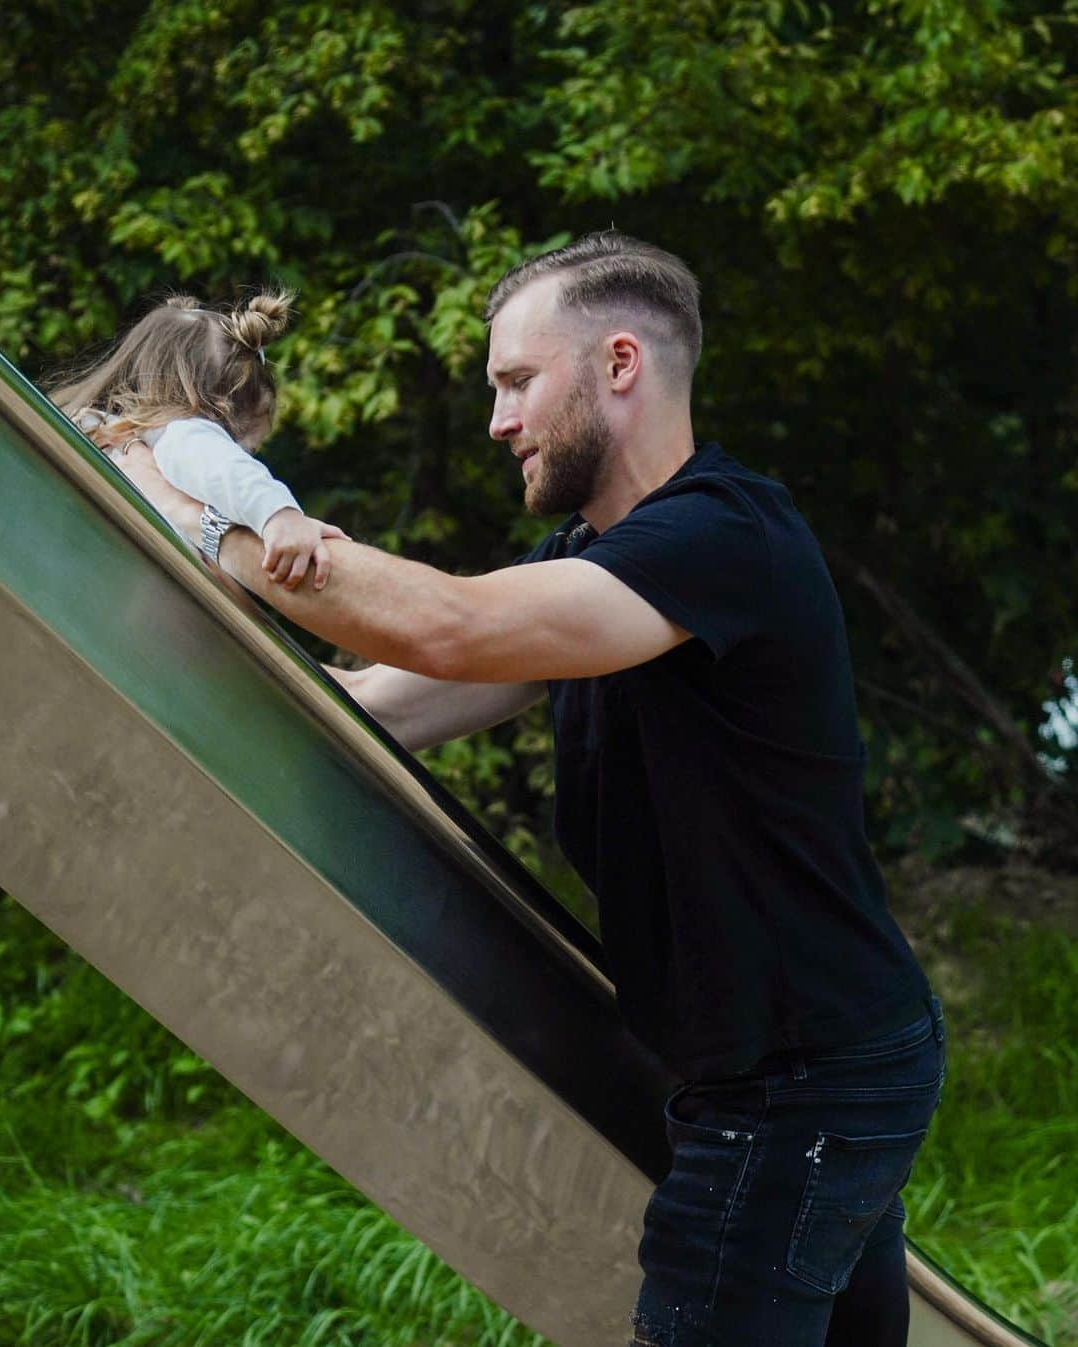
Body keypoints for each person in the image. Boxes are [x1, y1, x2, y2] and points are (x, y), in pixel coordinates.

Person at [113, 232, 945, 1347]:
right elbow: (380, 703)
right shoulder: (596, 557)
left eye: (516, 382)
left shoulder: (725, 538)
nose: (499, 420)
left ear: (617, 364)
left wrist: (213, 517)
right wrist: (145, 612)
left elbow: (451, 630)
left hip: (798, 1084)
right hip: (784, 1065)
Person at [50, 290, 347, 591]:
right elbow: (219, 464)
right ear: (215, 413)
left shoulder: (91, 428)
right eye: (244, 449)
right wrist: (280, 516)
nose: (244, 457)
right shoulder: (179, 434)